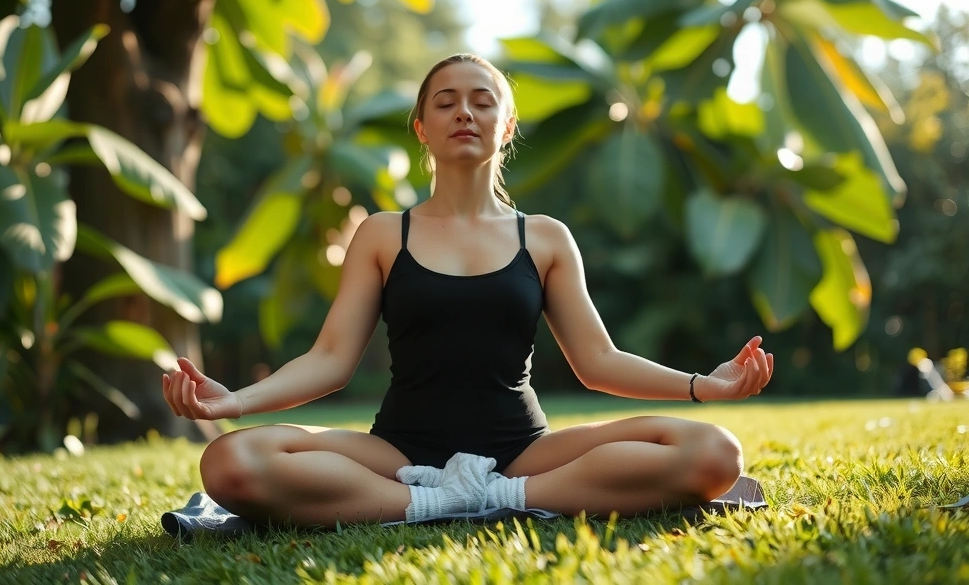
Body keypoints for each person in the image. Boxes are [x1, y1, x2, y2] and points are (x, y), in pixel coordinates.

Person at [161, 53, 774, 528]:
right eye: (446, 102)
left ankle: (502, 497)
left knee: (714, 453)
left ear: (505, 127)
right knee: (228, 463)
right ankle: (426, 503)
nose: (464, 113)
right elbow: (329, 361)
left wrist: (703, 385)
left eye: (482, 102)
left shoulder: (546, 238)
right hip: (398, 452)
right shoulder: (381, 234)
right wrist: (233, 402)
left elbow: (600, 363)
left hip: (522, 452)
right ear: (422, 128)